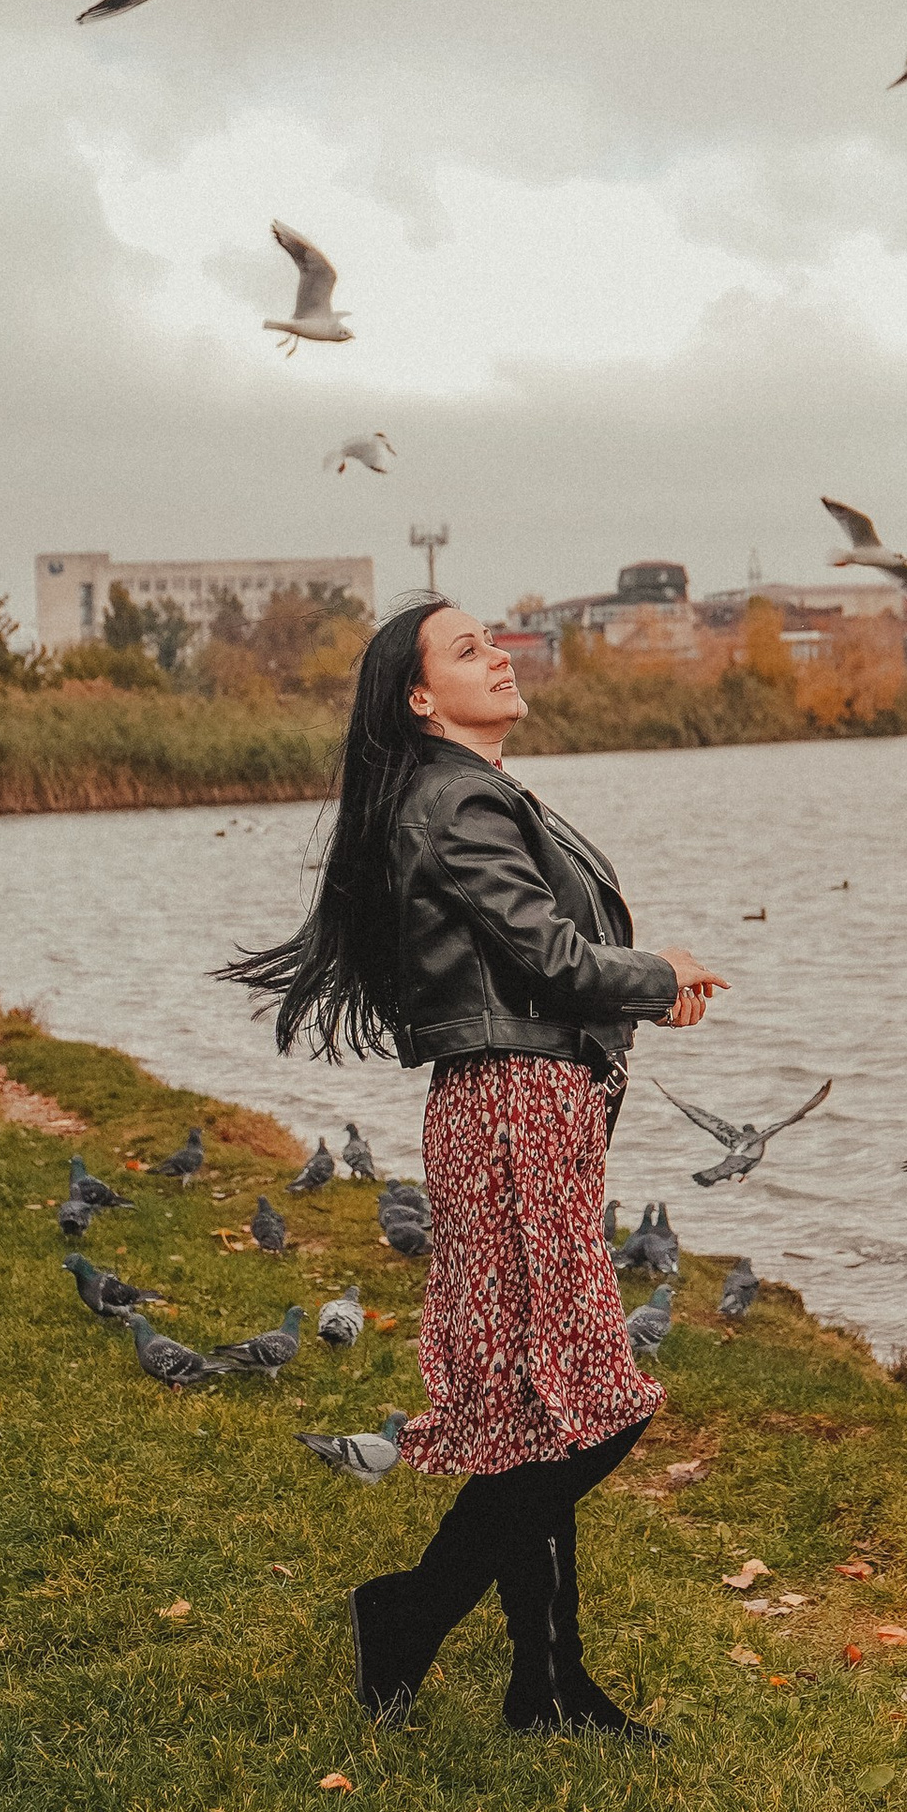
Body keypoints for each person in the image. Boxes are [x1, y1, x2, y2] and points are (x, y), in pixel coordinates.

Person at [225, 599, 722, 1741]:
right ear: (416, 696)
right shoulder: (454, 797)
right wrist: (659, 971)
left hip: (519, 1102)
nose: (498, 655)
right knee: (598, 1409)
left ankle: (547, 1685)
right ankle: (409, 1611)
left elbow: (536, 962)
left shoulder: (463, 793)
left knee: (544, 1406)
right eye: (466, 649)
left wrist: (643, 989)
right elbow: (545, 953)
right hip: (514, 1108)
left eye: (495, 640)